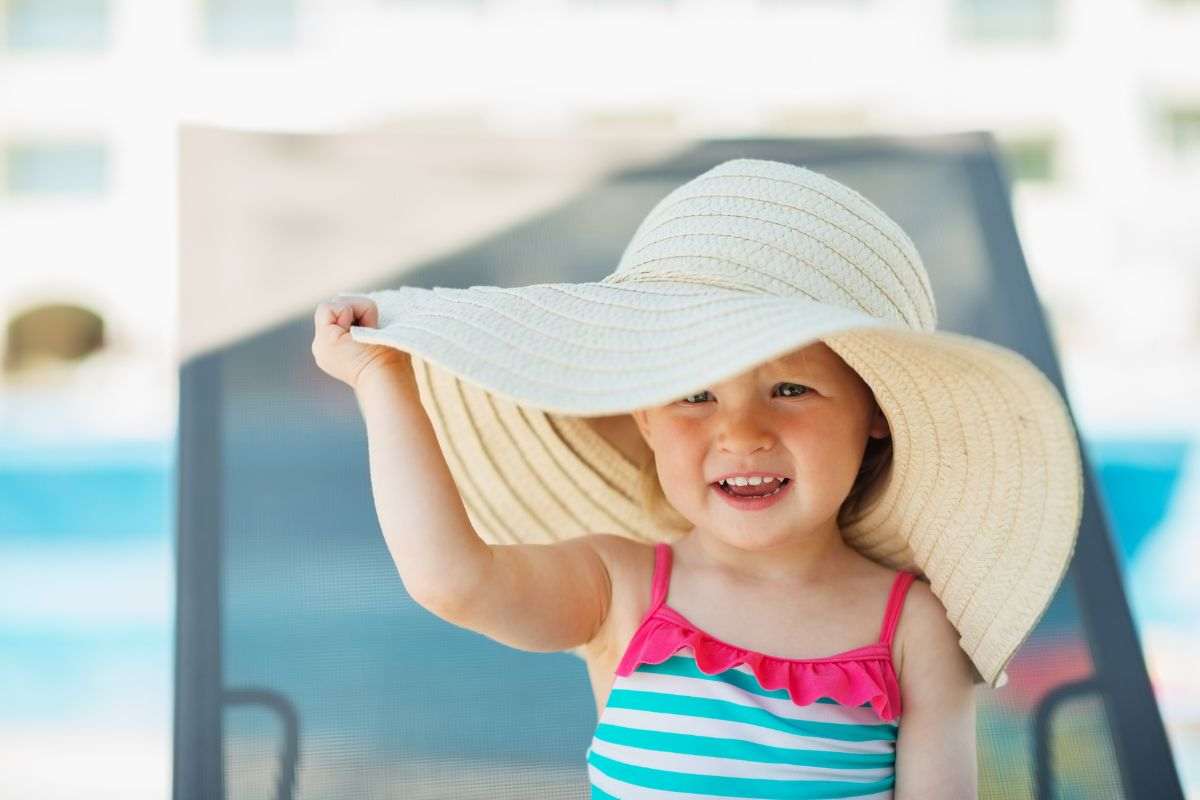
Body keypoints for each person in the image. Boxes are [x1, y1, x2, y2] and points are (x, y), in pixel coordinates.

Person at [311, 157, 1084, 799]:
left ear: (876, 413)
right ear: (643, 417)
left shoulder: (913, 626)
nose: (741, 431)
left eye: (790, 390)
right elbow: (451, 579)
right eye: (694, 393)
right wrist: (385, 384)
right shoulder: (621, 587)